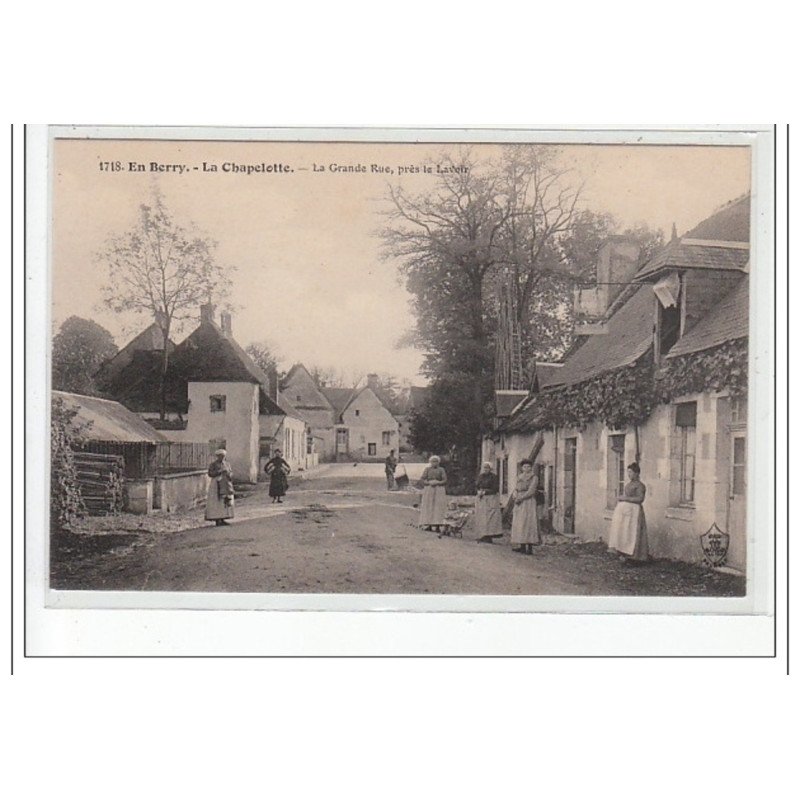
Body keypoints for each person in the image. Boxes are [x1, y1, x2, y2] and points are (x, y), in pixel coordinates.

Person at [607, 462, 649, 562]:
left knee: (634, 533)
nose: (628, 474)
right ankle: (624, 553)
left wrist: (625, 499)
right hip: (627, 513)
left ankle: (636, 557)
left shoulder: (640, 486)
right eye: (628, 472)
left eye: (631, 472)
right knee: (626, 532)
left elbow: (640, 499)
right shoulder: (629, 484)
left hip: (635, 512)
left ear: (637, 473)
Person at [510, 458, 541, 554]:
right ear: (522, 468)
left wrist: (521, 498)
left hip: (528, 502)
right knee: (520, 523)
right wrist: (515, 496)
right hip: (519, 502)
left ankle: (529, 547)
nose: (526, 468)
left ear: (531, 468)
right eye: (524, 467)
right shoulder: (519, 477)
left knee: (529, 523)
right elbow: (515, 488)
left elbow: (531, 491)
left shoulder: (534, 478)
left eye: (528, 467)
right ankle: (522, 545)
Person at [474, 462, 503, 543]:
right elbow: (477, 486)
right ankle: (482, 534)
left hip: (491, 498)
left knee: (490, 517)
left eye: (487, 468)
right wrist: (478, 491)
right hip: (482, 499)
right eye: (484, 467)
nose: (486, 469)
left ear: (490, 469)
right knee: (482, 517)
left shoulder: (494, 477)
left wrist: (485, 491)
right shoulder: (481, 476)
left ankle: (489, 536)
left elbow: (495, 488)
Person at [419, 455, 448, 532]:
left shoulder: (441, 470)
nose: (434, 463)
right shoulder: (427, 469)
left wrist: (438, 482)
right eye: (433, 461)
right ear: (430, 462)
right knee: (429, 505)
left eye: (436, 461)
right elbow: (422, 479)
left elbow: (445, 480)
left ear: (439, 462)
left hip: (439, 490)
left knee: (438, 506)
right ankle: (428, 524)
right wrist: (428, 483)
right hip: (429, 489)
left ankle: (437, 525)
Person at [205, 449, 234, 526]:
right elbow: (210, 473)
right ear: (217, 456)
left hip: (226, 483)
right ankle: (217, 519)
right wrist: (219, 472)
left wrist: (229, 474)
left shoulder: (227, 464)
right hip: (216, 484)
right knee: (217, 501)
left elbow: (231, 472)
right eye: (220, 456)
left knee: (225, 500)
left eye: (223, 456)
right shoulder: (213, 464)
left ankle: (223, 518)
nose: (222, 457)